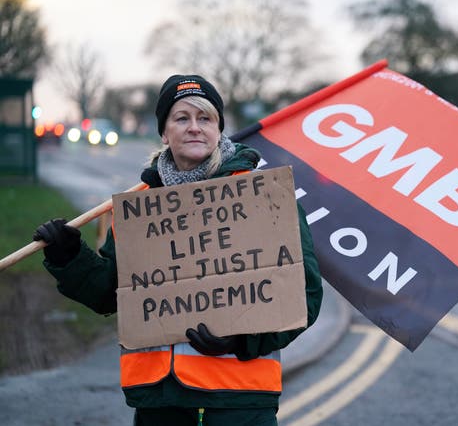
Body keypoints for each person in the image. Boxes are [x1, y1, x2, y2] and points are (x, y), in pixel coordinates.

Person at [33, 75, 323, 426]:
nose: (194, 128)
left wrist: (242, 338)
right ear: (164, 132)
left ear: (219, 129)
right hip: (160, 401)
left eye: (205, 118)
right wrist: (69, 257)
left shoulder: (263, 194)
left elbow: (304, 295)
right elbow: (110, 293)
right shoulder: (141, 206)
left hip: (239, 402)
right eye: (181, 118)